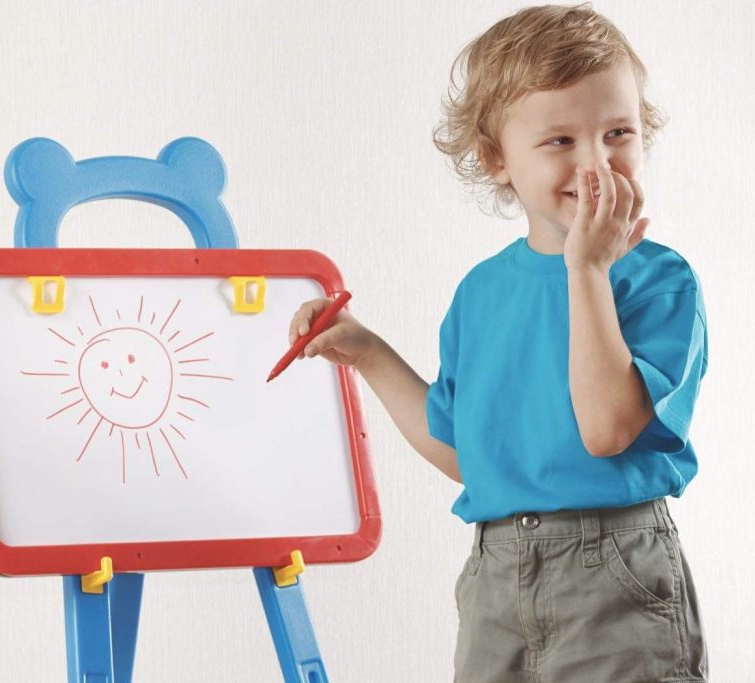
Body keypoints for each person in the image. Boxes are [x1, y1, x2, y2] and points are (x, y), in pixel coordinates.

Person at [285, 3, 709, 681]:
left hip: (617, 572)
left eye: (618, 133)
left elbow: (606, 430)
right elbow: (465, 455)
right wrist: (366, 351)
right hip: (497, 574)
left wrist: (588, 268)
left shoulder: (659, 280)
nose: (597, 163)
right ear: (496, 158)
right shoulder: (480, 294)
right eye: (561, 141)